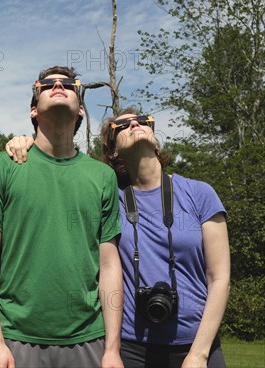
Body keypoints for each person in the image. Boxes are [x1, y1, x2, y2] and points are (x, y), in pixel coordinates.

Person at [0, 66, 124, 367]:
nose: (59, 86)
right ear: (33, 110)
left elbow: (109, 264)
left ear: (80, 112)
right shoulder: (1, 167)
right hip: (15, 339)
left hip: (89, 339)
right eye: (47, 84)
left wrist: (112, 349)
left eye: (69, 84)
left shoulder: (103, 176)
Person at [100, 109, 229, 367]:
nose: (134, 123)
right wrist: (24, 143)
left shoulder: (199, 194)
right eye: (122, 125)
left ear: (156, 140)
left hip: (197, 343)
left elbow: (220, 278)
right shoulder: (109, 199)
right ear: (113, 152)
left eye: (142, 120)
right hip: (132, 345)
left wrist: (199, 353)